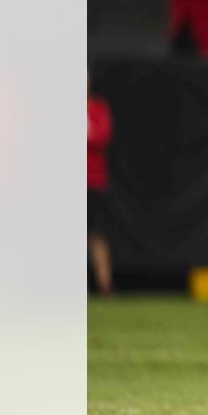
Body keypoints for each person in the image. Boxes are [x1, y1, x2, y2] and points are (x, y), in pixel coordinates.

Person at [88, 76, 114, 295]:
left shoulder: (97, 108)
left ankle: (105, 287)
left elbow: (101, 136)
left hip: (94, 182)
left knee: (97, 235)